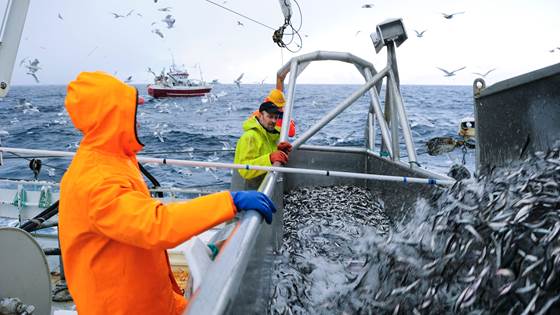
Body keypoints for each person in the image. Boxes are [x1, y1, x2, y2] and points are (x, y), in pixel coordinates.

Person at [58, 71, 276, 315]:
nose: (138, 122)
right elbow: (156, 225)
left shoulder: (113, 161)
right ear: (111, 118)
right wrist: (230, 201)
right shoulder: (96, 179)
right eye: (132, 114)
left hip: (151, 302)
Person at [234, 99, 293, 180]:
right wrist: (270, 158)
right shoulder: (249, 137)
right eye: (270, 117)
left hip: (266, 184)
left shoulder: (274, 135)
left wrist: (281, 150)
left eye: (276, 117)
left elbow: (268, 153)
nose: (274, 121)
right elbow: (244, 171)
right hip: (251, 189)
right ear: (261, 115)